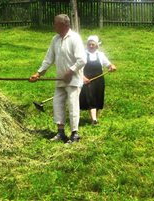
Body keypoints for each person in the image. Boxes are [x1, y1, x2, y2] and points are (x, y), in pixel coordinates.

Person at [29, 14, 86, 143]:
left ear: (64, 25)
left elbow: (82, 59)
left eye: (56, 23)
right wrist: (38, 73)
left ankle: (74, 134)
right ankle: (60, 132)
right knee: (57, 104)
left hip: (74, 79)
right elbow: (48, 59)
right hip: (60, 80)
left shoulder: (75, 38)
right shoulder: (55, 39)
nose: (54, 25)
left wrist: (70, 71)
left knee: (72, 105)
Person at [79, 35, 116, 125]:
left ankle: (95, 118)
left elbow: (108, 64)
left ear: (96, 45)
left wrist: (112, 67)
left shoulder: (100, 55)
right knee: (90, 98)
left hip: (99, 80)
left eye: (93, 44)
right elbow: (78, 68)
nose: (91, 46)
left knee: (98, 98)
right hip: (87, 80)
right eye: (89, 44)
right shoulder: (83, 54)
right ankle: (94, 120)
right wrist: (83, 78)